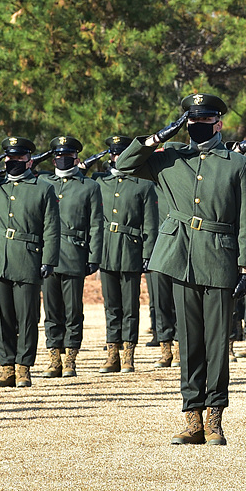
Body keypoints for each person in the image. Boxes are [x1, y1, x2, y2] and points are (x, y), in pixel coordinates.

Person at [116, 93, 246, 445]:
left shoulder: (235, 164)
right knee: (190, 340)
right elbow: (124, 164)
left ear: (218, 123)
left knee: (216, 342)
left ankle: (215, 418)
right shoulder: (169, 159)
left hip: (221, 258)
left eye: (204, 119)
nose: (196, 126)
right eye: (190, 120)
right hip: (180, 257)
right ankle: (192, 416)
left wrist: (245, 268)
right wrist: (159, 137)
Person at [0, 137, 60, 388]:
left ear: (29, 161)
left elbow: (52, 227)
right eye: (9, 158)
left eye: (18, 158)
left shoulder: (42, 188)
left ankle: (23, 368)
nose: (12, 162)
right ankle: (6, 367)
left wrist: (49, 260)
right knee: (3, 317)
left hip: (29, 258)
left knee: (28, 317)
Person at [94, 135, 158, 374]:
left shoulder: (142, 185)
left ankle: (129, 354)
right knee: (111, 306)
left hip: (131, 248)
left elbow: (150, 224)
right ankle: (112, 354)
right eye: (114, 153)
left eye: (122, 153)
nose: (117, 157)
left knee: (130, 307)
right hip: (107, 249)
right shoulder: (100, 183)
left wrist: (147, 252)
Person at [40, 136, 102, 378]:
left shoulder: (89, 186)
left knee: (73, 310)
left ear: (76, 158)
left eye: (67, 155)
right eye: (57, 155)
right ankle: (54, 358)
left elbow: (96, 224)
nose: (62, 159)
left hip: (75, 253)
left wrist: (94, 256)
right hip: (47, 254)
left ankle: (71, 359)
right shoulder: (44, 182)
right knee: (52, 310)